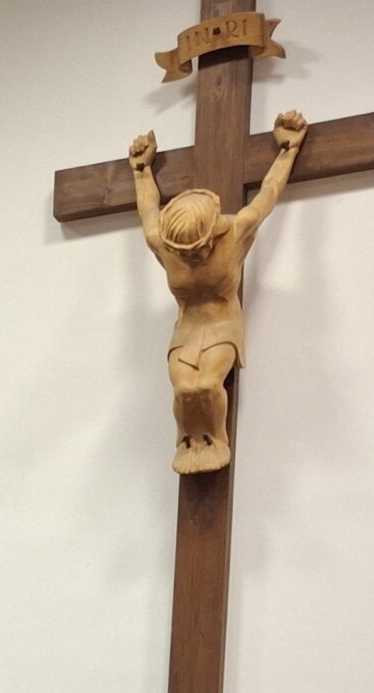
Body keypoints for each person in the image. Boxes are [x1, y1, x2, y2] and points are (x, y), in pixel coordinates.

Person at [129, 109, 307, 472]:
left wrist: (287, 150)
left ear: (213, 233)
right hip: (187, 328)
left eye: (198, 249)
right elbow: (148, 208)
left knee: (208, 385)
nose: (192, 257)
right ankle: (188, 441)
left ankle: (215, 439)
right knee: (184, 390)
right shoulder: (164, 245)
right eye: (185, 253)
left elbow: (268, 195)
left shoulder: (237, 231)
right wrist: (141, 169)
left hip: (223, 323)